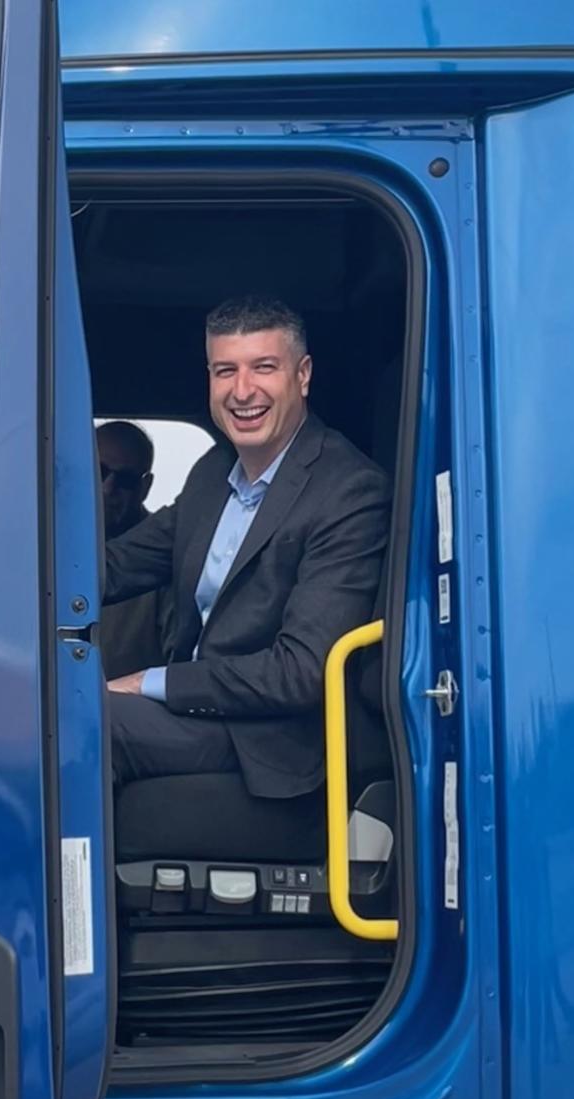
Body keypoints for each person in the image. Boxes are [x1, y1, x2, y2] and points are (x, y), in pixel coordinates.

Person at [103, 296, 390, 799]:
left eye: (263, 368)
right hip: (198, 714)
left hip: (273, 742)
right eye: (225, 371)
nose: (242, 391)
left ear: (303, 375)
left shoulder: (348, 489)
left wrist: (150, 681)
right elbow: (116, 566)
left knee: (81, 726)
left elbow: (299, 673)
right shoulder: (213, 474)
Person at [96, 421, 167, 680]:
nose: (107, 488)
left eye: (125, 480)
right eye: (99, 471)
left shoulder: (167, 558)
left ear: (145, 487)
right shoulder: (42, 541)